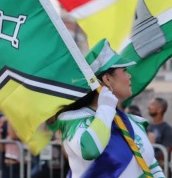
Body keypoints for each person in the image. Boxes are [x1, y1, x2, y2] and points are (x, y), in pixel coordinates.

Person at [49, 39, 164, 177]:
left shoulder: (134, 122)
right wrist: (106, 107)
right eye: (125, 70)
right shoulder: (73, 119)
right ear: (107, 79)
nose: (129, 76)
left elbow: (151, 165)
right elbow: (90, 150)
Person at [147, 97, 172, 174]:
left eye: (152, 104)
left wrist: (148, 156)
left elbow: (164, 153)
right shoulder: (146, 126)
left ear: (159, 109)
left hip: (160, 172)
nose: (148, 106)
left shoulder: (167, 129)